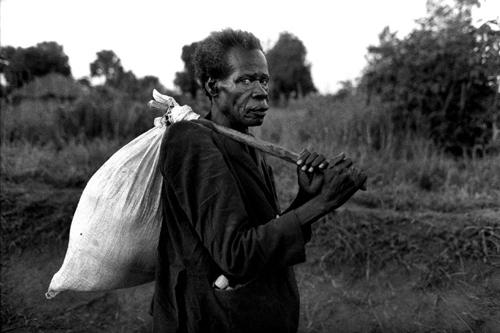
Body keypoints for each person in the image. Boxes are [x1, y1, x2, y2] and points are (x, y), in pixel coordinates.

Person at [152, 29, 366, 333]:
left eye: (263, 80)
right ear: (214, 86)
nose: (261, 91)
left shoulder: (248, 147)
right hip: (210, 320)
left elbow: (266, 237)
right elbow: (237, 255)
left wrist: (306, 198)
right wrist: (323, 203)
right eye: (246, 80)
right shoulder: (190, 140)